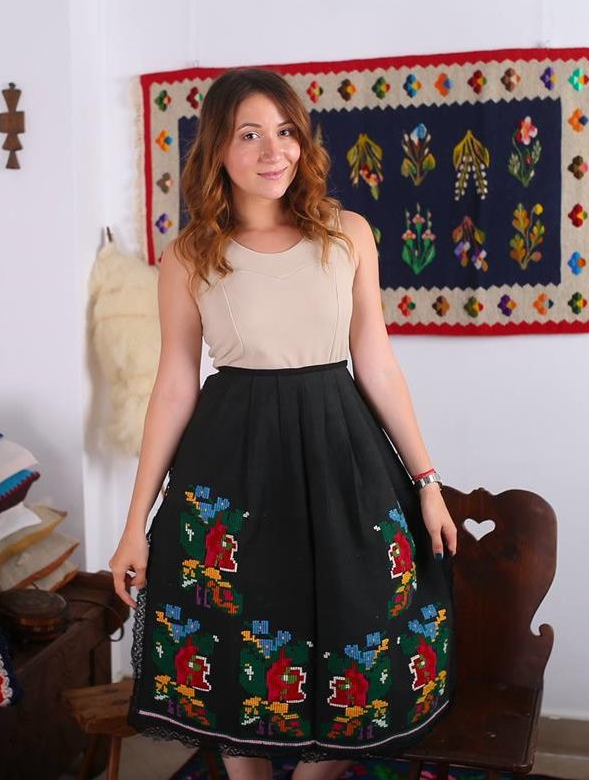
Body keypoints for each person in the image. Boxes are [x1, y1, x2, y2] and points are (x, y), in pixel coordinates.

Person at [110, 67, 457, 780]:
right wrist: (135, 522)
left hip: (343, 456)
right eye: (250, 134)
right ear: (217, 148)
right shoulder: (189, 255)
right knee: (235, 636)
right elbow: (173, 386)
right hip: (231, 466)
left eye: (286, 131)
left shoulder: (347, 234)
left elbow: (377, 362)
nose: (274, 151)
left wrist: (427, 481)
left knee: (357, 622)